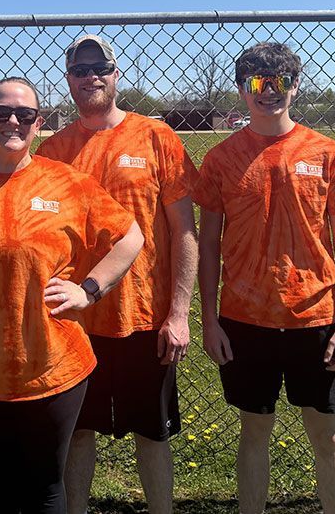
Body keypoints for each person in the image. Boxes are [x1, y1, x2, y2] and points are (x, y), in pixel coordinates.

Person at [0, 77, 144, 514]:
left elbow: (130, 236)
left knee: (45, 490)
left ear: (39, 123)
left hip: (53, 369)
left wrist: (89, 290)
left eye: (25, 114)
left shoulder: (68, 183)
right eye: (0, 112)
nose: (12, 121)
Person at [193, 42, 335, 514]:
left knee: (326, 437)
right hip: (245, 320)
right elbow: (207, 245)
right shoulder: (221, 159)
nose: (268, 93)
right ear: (241, 89)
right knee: (254, 432)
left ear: (295, 86)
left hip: (317, 320)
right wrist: (209, 321)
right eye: (256, 83)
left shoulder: (325, 152)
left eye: (280, 83)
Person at [37, 35, 199, 514]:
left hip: (145, 315)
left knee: (153, 433)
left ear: (116, 73)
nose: (91, 76)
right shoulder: (53, 149)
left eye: (100, 66)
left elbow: (184, 230)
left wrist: (180, 311)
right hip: (75, 319)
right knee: (76, 432)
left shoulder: (155, 136)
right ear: (68, 79)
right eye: (80, 68)